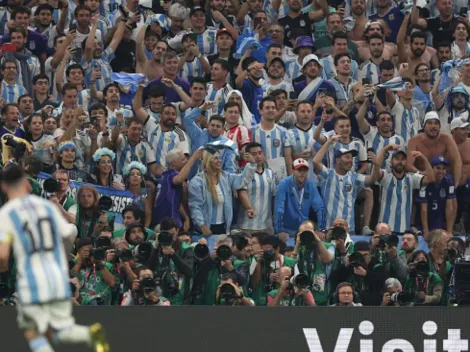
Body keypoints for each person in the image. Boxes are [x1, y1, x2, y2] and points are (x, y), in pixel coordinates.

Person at [0, 164, 110, 352]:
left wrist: (3, 268)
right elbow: (67, 234)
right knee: (57, 329)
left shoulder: (8, 213)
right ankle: (89, 334)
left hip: (32, 277)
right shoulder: (47, 207)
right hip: (56, 275)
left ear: (4, 187)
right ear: (27, 185)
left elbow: (3, 255)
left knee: (32, 330)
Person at [188, 147, 256, 250]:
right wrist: (202, 225)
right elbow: (195, 206)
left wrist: (251, 164)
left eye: (220, 158)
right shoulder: (197, 181)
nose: (219, 161)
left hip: (223, 227)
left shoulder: (225, 177)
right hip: (206, 228)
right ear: (207, 160)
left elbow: (241, 181)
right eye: (215, 158)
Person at [274, 158, 326, 240]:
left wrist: (321, 229)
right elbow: (279, 208)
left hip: (304, 229)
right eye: (299, 170)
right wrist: (279, 230)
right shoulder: (284, 184)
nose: (302, 173)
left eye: (304, 170)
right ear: (293, 170)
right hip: (286, 231)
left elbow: (320, 208)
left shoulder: (311, 185)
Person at [415, 156, 456, 238]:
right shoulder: (424, 182)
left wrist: (449, 231)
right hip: (422, 222)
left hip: (438, 220)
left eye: (443, 168)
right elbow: (423, 209)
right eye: (438, 168)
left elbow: (449, 207)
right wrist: (426, 230)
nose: (441, 171)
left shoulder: (449, 181)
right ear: (431, 168)